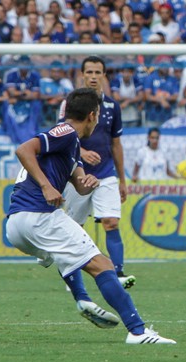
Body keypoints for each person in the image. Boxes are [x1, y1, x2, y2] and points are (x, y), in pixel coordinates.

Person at [5, 88, 176, 344]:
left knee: (69, 254)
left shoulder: (73, 145)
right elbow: (23, 150)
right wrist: (45, 186)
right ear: (93, 115)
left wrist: (88, 182)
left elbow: (79, 184)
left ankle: (82, 298)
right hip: (38, 215)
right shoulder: (65, 132)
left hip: (17, 226)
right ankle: (138, 332)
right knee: (103, 265)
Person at [60, 56, 135, 290]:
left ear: (104, 76)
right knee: (75, 227)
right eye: (89, 72)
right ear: (82, 75)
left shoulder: (112, 106)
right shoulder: (69, 105)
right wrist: (81, 151)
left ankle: (118, 273)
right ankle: (73, 276)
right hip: (77, 173)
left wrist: (122, 180)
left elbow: (116, 144)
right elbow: (60, 135)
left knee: (111, 222)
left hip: (106, 173)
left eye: (97, 72)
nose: (93, 76)